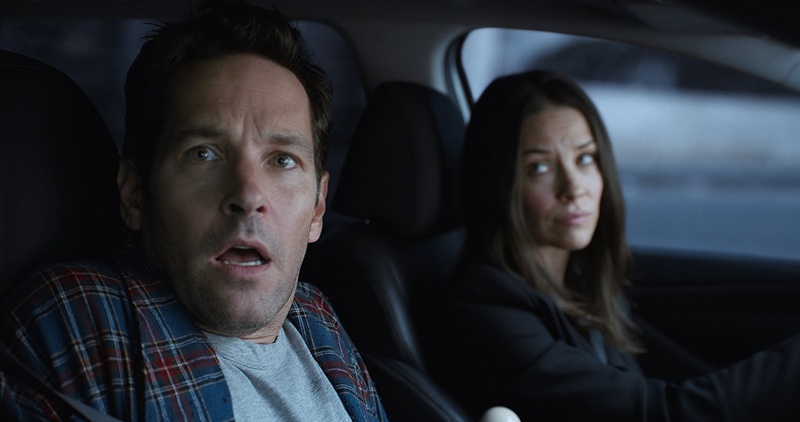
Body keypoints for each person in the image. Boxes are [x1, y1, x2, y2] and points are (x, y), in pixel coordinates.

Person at [0, 1, 388, 420]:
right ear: (135, 194)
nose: (248, 196)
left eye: (282, 160)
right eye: (204, 154)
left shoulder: (318, 317)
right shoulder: (79, 317)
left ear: (317, 208)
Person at [429, 70, 800, 421]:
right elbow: (666, 412)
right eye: (539, 168)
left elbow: (675, 380)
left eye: (585, 159)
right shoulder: (486, 312)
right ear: (496, 184)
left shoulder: (577, 281)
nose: (574, 188)